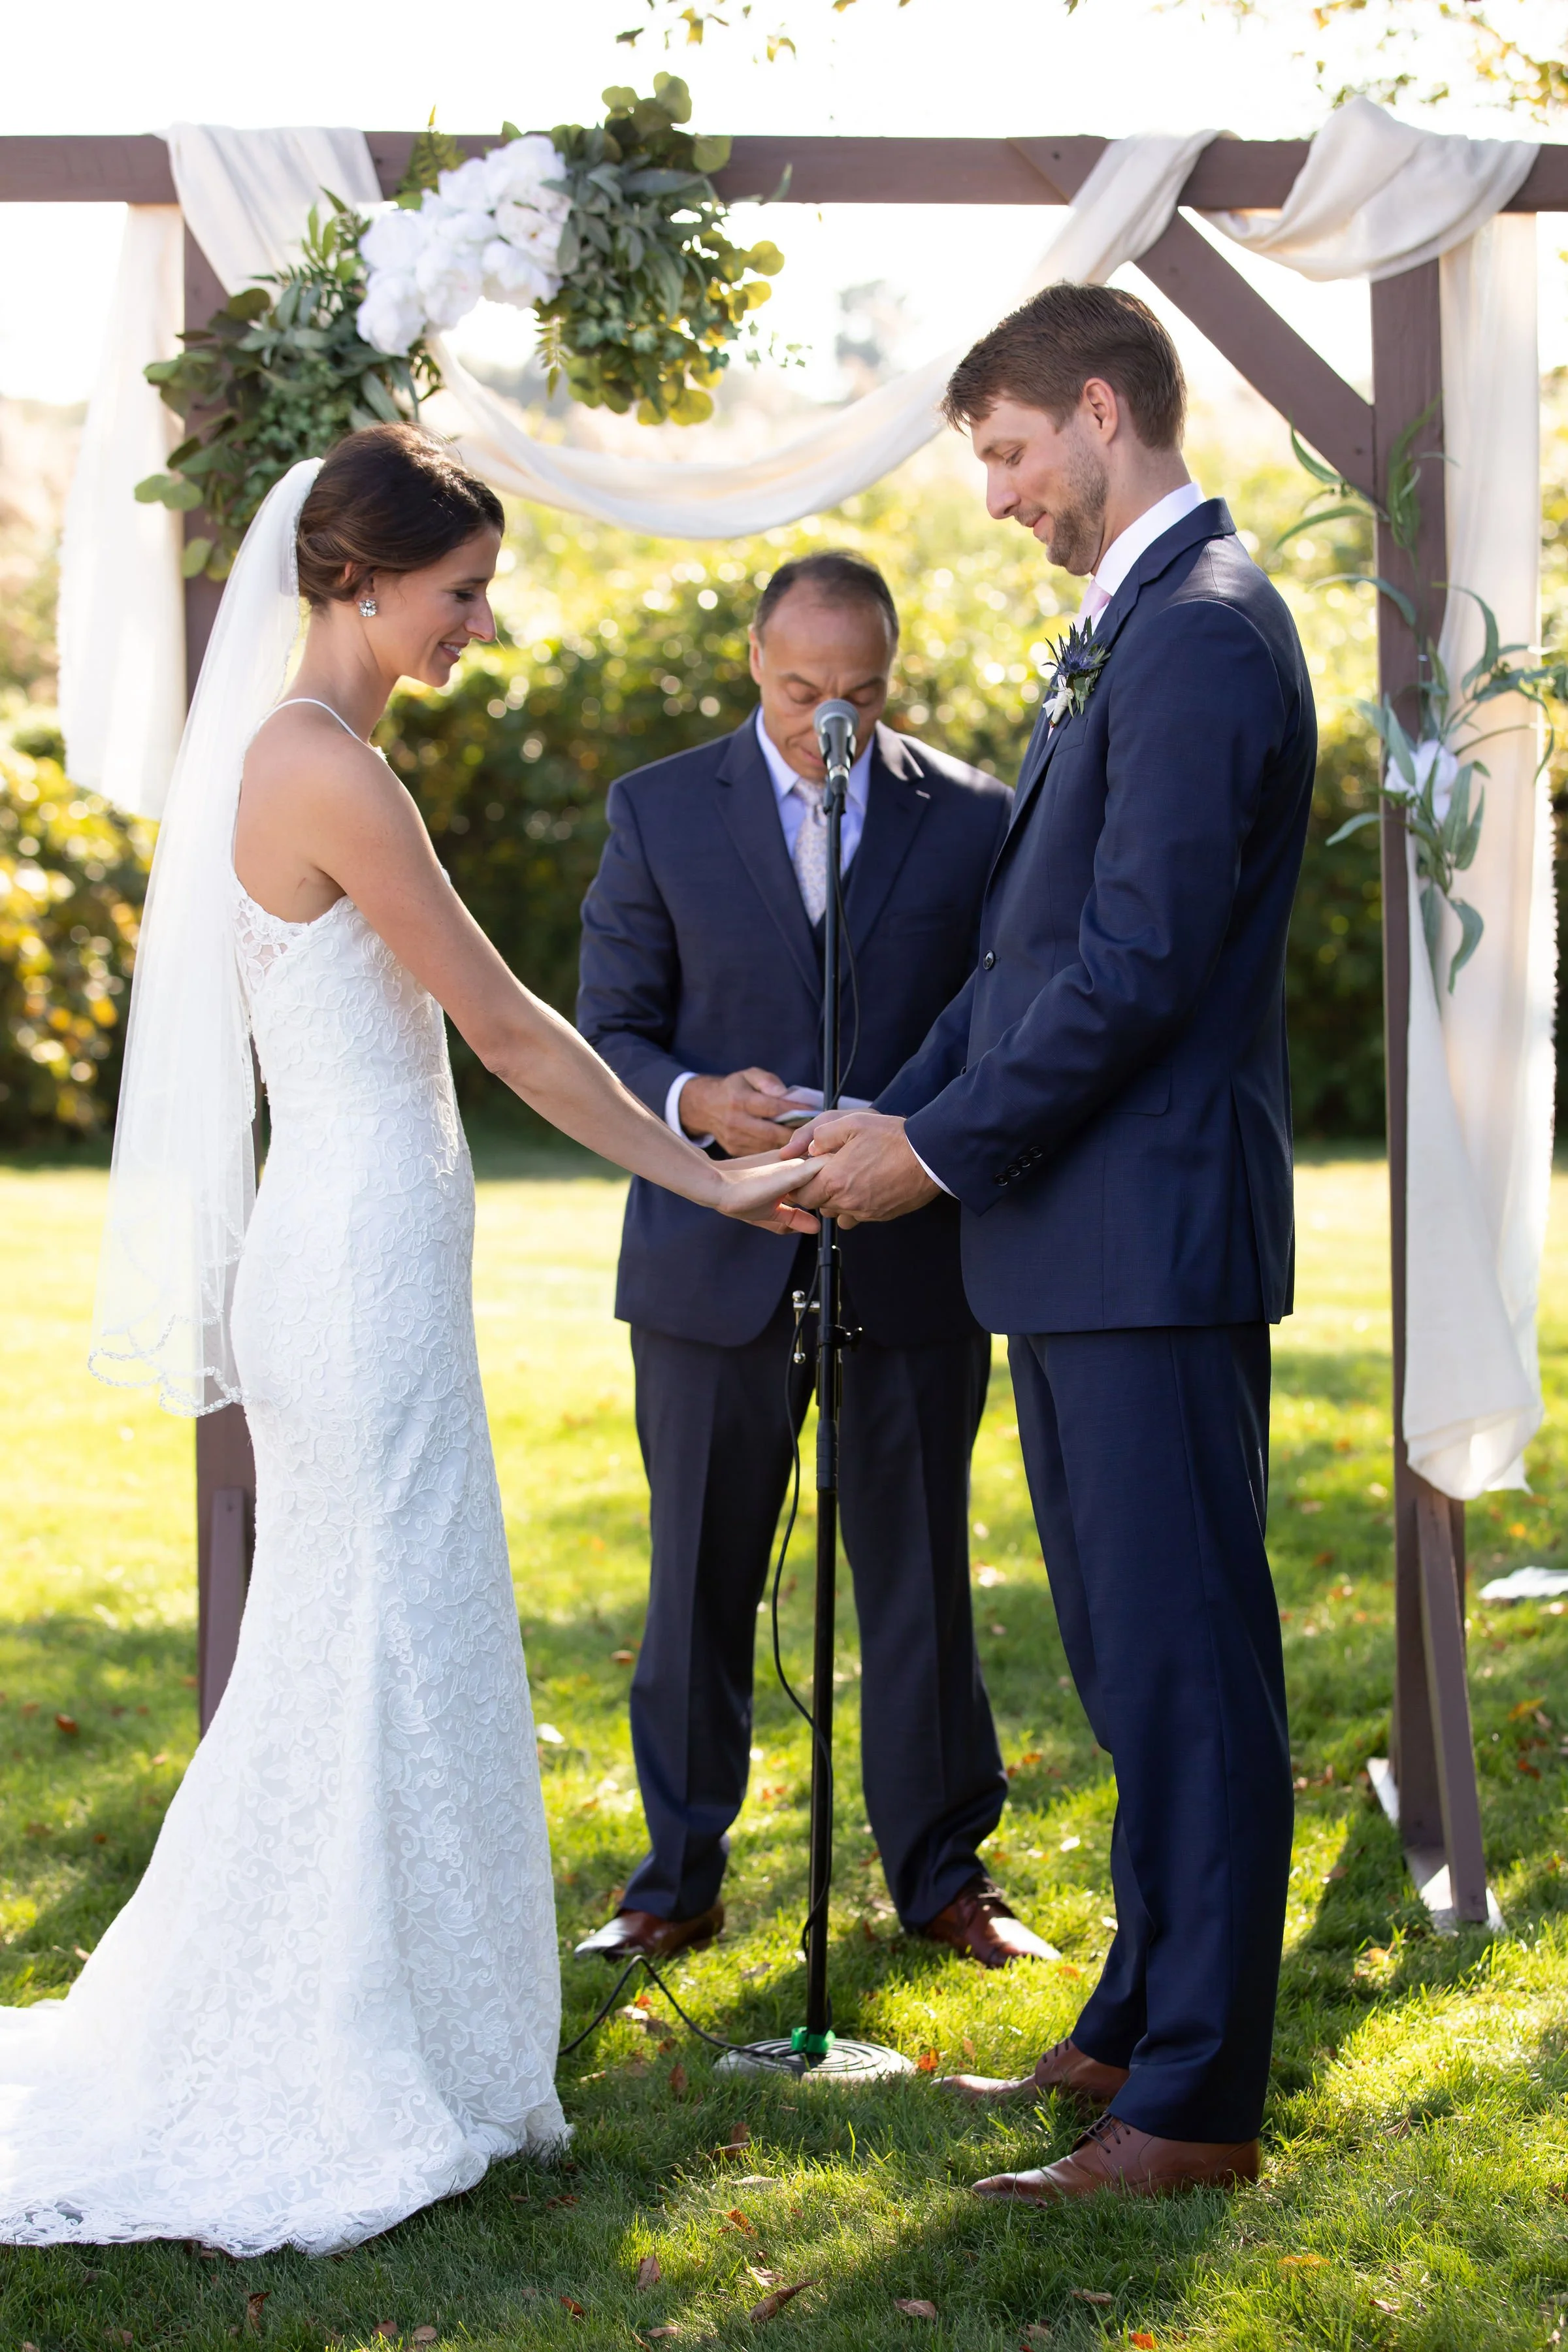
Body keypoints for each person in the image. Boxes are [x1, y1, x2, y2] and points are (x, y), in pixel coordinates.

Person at [0, 425, 809, 2257]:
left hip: (357, 1246)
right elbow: (515, 1035)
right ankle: (344, 2044)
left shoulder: (311, 751)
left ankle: (374, 2012)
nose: (483, 626)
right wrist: (701, 1175)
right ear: (360, 579)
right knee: (378, 1621)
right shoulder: (323, 768)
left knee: (362, 1627)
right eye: (463, 593)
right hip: (356, 1256)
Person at [781, 284, 1314, 2200]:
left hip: (1150, 1243)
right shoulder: (1133, 633)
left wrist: (934, 1156)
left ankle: (1197, 2111)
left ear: (1102, 409)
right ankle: (1139, 2025)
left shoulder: (1206, 636)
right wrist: (885, 1109)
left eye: (1008, 452)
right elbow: (1022, 958)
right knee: (1126, 1654)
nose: (998, 494)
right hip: (1084, 1247)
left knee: (1187, 1668)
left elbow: (1142, 969)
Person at [574, 552, 1055, 1968]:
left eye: (857, 693)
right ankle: (674, 1880)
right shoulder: (657, 809)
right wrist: (693, 1107)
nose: (825, 720)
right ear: (752, 662)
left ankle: (946, 1878)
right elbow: (609, 1029)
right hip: (705, 1260)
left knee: (918, 1578)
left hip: (909, 1257)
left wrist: (910, 1139)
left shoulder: (973, 816)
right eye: (798, 692)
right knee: (697, 1580)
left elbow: (1010, 1017)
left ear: (889, 677)